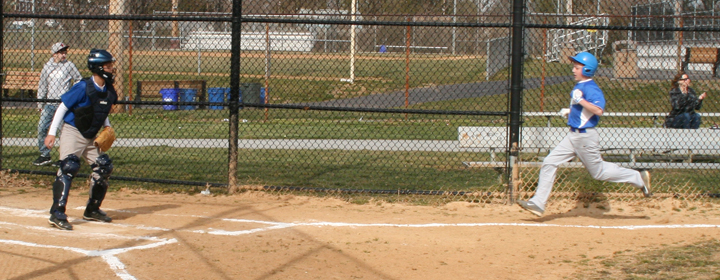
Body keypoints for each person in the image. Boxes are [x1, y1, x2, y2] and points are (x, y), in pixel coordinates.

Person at [516, 52, 652, 217]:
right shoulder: (579, 86)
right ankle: (538, 203)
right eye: (574, 67)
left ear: (587, 70)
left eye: (577, 67)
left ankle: (637, 177)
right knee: (549, 162)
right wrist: (571, 111)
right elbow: (582, 110)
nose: (573, 70)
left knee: (599, 172)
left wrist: (580, 101)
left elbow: (598, 110)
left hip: (585, 137)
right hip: (573, 135)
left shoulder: (591, 88)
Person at [43, 49, 118, 230]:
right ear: (98, 68)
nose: (111, 69)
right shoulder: (83, 87)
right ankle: (57, 213)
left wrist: (107, 127)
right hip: (73, 130)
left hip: (92, 134)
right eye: (108, 66)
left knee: (103, 167)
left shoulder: (108, 89)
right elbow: (63, 107)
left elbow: (103, 109)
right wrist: (52, 132)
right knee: (69, 166)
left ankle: (92, 209)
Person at [33, 42, 82, 166]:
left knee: (64, 132)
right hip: (49, 103)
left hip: (63, 104)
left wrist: (71, 94)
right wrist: (40, 103)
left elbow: (78, 79)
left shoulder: (69, 65)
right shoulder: (47, 67)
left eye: (65, 52)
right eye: (61, 52)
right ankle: (45, 155)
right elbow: (43, 85)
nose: (64, 55)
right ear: (54, 54)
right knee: (42, 127)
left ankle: (63, 157)